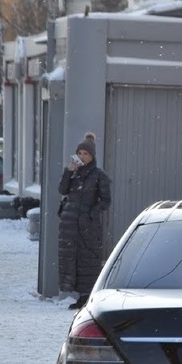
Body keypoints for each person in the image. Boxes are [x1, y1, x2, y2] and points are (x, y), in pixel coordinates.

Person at [58, 132, 112, 310]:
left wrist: (91, 214)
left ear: (92, 156)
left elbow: (106, 200)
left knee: (87, 259)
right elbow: (62, 190)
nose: (81, 157)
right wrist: (69, 171)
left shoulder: (99, 175)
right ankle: (78, 294)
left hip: (87, 226)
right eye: (79, 153)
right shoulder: (73, 174)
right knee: (71, 258)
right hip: (70, 226)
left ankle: (87, 295)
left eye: (85, 154)